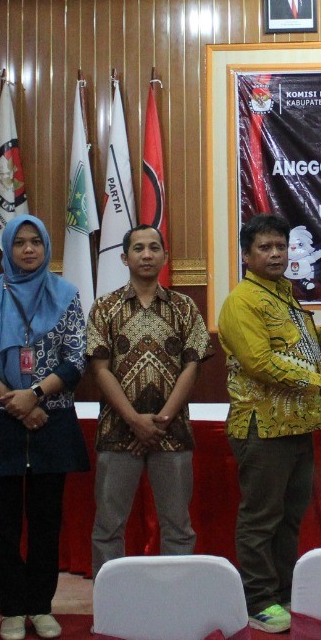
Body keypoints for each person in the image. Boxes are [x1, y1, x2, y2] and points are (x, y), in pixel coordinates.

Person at [218, 212, 321, 633]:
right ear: (246, 256)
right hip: (263, 427)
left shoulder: (283, 295)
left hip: (298, 424)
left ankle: (282, 592)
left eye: (280, 246)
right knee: (261, 518)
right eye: (265, 247)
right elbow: (261, 363)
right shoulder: (242, 301)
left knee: (290, 516)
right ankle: (258, 600)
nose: (276, 254)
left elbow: (299, 346)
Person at [0, 214, 88, 640]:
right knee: (3, 524)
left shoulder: (67, 295)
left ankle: (41, 606)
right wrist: (14, 403)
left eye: (36, 241)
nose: (29, 249)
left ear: (47, 247)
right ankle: (11, 609)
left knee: (46, 522)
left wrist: (33, 395)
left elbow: (76, 358)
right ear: (7, 249)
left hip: (51, 421)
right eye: (20, 243)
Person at [88, 224, 212, 575]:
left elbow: (193, 366)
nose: (146, 254)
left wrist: (160, 421)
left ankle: (174, 595)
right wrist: (134, 421)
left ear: (165, 256)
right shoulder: (105, 307)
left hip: (171, 433)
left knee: (178, 526)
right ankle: (112, 597)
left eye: (154, 248)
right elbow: (99, 370)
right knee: (108, 525)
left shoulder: (184, 307)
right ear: (124, 257)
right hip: (117, 431)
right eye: (138, 248)